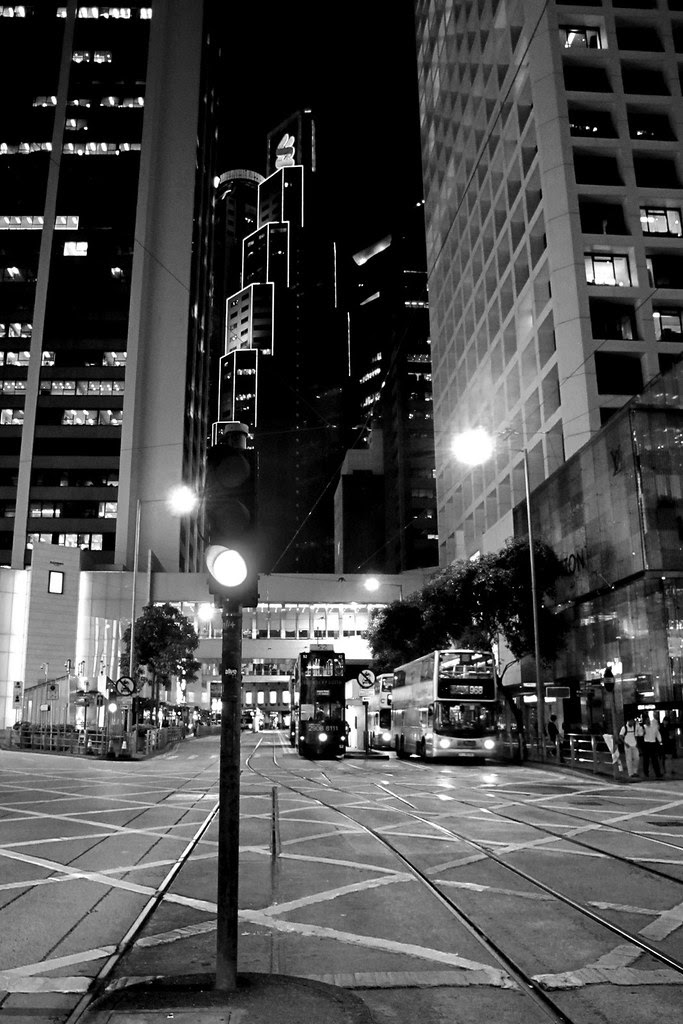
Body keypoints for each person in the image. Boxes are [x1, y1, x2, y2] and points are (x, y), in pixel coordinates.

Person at [641, 712, 663, 779]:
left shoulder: (654, 726)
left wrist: (660, 741)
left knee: (655, 759)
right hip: (646, 743)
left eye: (648, 720)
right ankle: (646, 773)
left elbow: (657, 733)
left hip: (653, 743)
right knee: (646, 760)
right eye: (646, 720)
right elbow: (640, 734)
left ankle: (658, 773)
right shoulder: (643, 727)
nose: (647, 721)